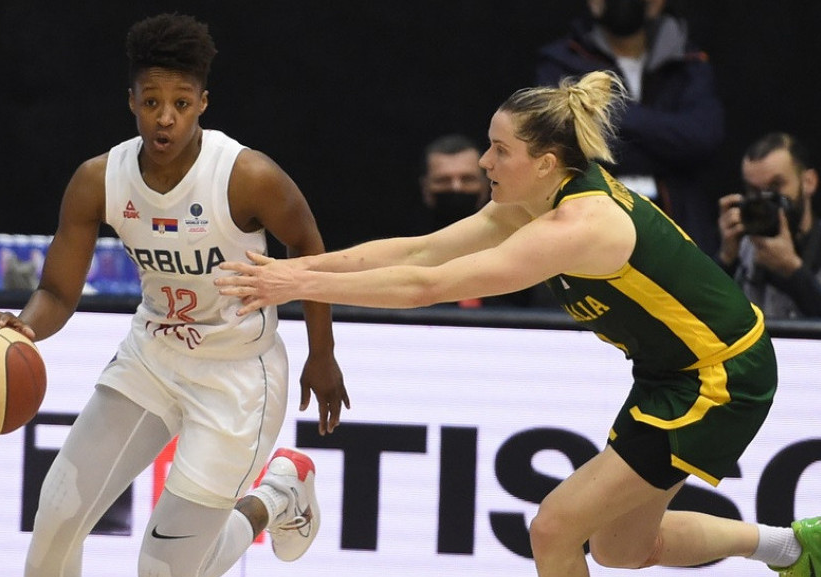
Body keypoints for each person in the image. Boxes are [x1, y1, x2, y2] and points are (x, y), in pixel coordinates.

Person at [217, 70, 819, 577]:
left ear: (546, 162)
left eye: (500, 150)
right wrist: (294, 268)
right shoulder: (529, 203)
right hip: (672, 372)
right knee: (621, 548)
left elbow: (428, 287)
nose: (485, 160)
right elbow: (419, 251)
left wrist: (296, 287)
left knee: (553, 529)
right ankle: (794, 549)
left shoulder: (578, 227)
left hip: (721, 375)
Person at [0, 13, 348, 577]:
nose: (166, 118)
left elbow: (308, 247)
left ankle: (278, 496)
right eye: (151, 102)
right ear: (132, 102)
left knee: (163, 570)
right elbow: (58, 292)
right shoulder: (98, 179)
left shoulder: (246, 176)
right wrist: (23, 326)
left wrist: (322, 353)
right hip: (152, 357)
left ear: (203, 104)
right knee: (58, 514)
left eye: (181, 103)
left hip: (237, 376)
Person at [536, 0, 725, 256]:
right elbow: (572, 146)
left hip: (681, 230)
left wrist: (610, 110)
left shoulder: (689, 63)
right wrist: (670, 146)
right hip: (589, 230)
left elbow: (702, 138)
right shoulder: (559, 63)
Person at [419, 134, 556, 309]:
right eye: (443, 181)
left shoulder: (524, 250)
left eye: (467, 179)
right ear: (426, 188)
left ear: (486, 185)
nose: (456, 188)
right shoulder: (412, 252)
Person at [717, 132, 821, 319]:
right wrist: (725, 260)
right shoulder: (743, 248)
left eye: (775, 186)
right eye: (754, 190)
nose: (764, 199)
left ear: (809, 182)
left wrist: (793, 270)